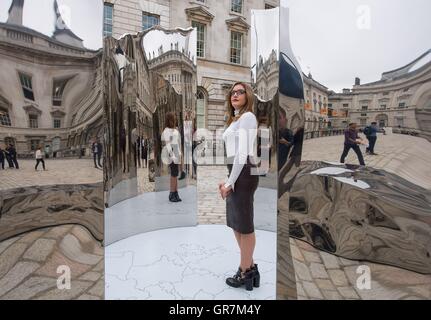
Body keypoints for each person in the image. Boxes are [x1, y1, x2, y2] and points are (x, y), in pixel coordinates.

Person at [219, 82, 260, 291]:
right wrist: (228, 179)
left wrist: (230, 182)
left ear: (247, 95)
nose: (235, 94)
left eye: (240, 92)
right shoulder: (236, 118)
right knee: (237, 223)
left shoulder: (248, 117)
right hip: (237, 172)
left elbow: (242, 154)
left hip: (244, 172)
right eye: (232, 92)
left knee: (244, 224)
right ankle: (250, 267)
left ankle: (245, 271)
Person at [162, 112, 182, 202]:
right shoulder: (166, 131)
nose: (175, 119)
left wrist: (179, 153)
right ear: (170, 119)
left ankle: (176, 192)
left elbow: (177, 142)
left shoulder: (174, 130)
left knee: (175, 174)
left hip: (176, 151)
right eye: (174, 118)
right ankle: (172, 193)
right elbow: (168, 144)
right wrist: (172, 155)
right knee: (173, 174)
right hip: (171, 153)